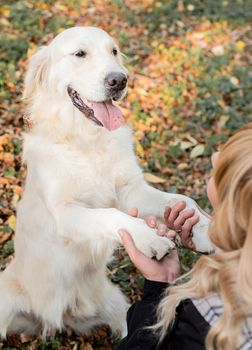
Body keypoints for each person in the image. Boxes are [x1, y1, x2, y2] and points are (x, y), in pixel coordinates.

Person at [117, 124, 252, 350]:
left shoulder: (213, 320)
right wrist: (218, 241)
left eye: (216, 171)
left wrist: (160, 286)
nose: (216, 156)